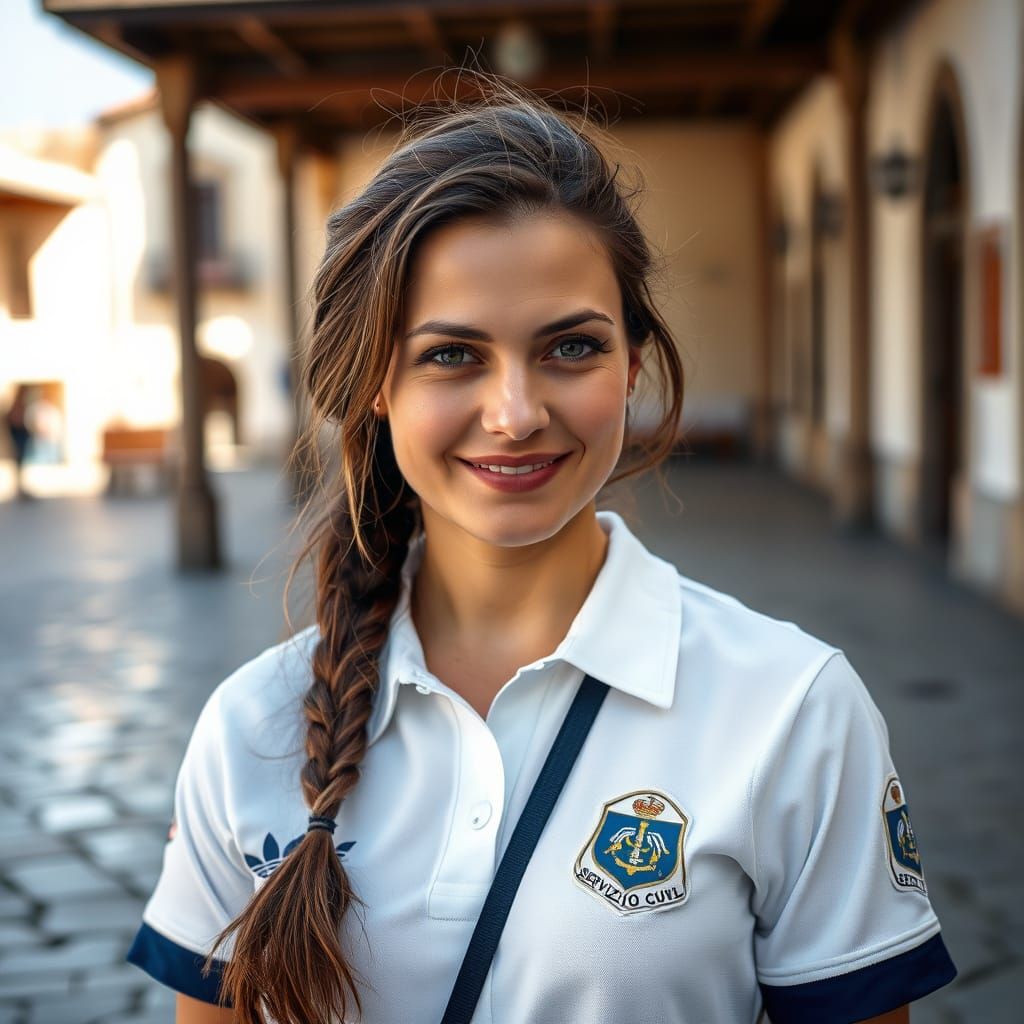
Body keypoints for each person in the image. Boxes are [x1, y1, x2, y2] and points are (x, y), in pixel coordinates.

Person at [126, 73, 957, 1024]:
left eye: (571, 348)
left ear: (632, 365)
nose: (516, 415)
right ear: (375, 386)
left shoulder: (791, 710)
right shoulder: (252, 728)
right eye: (451, 354)